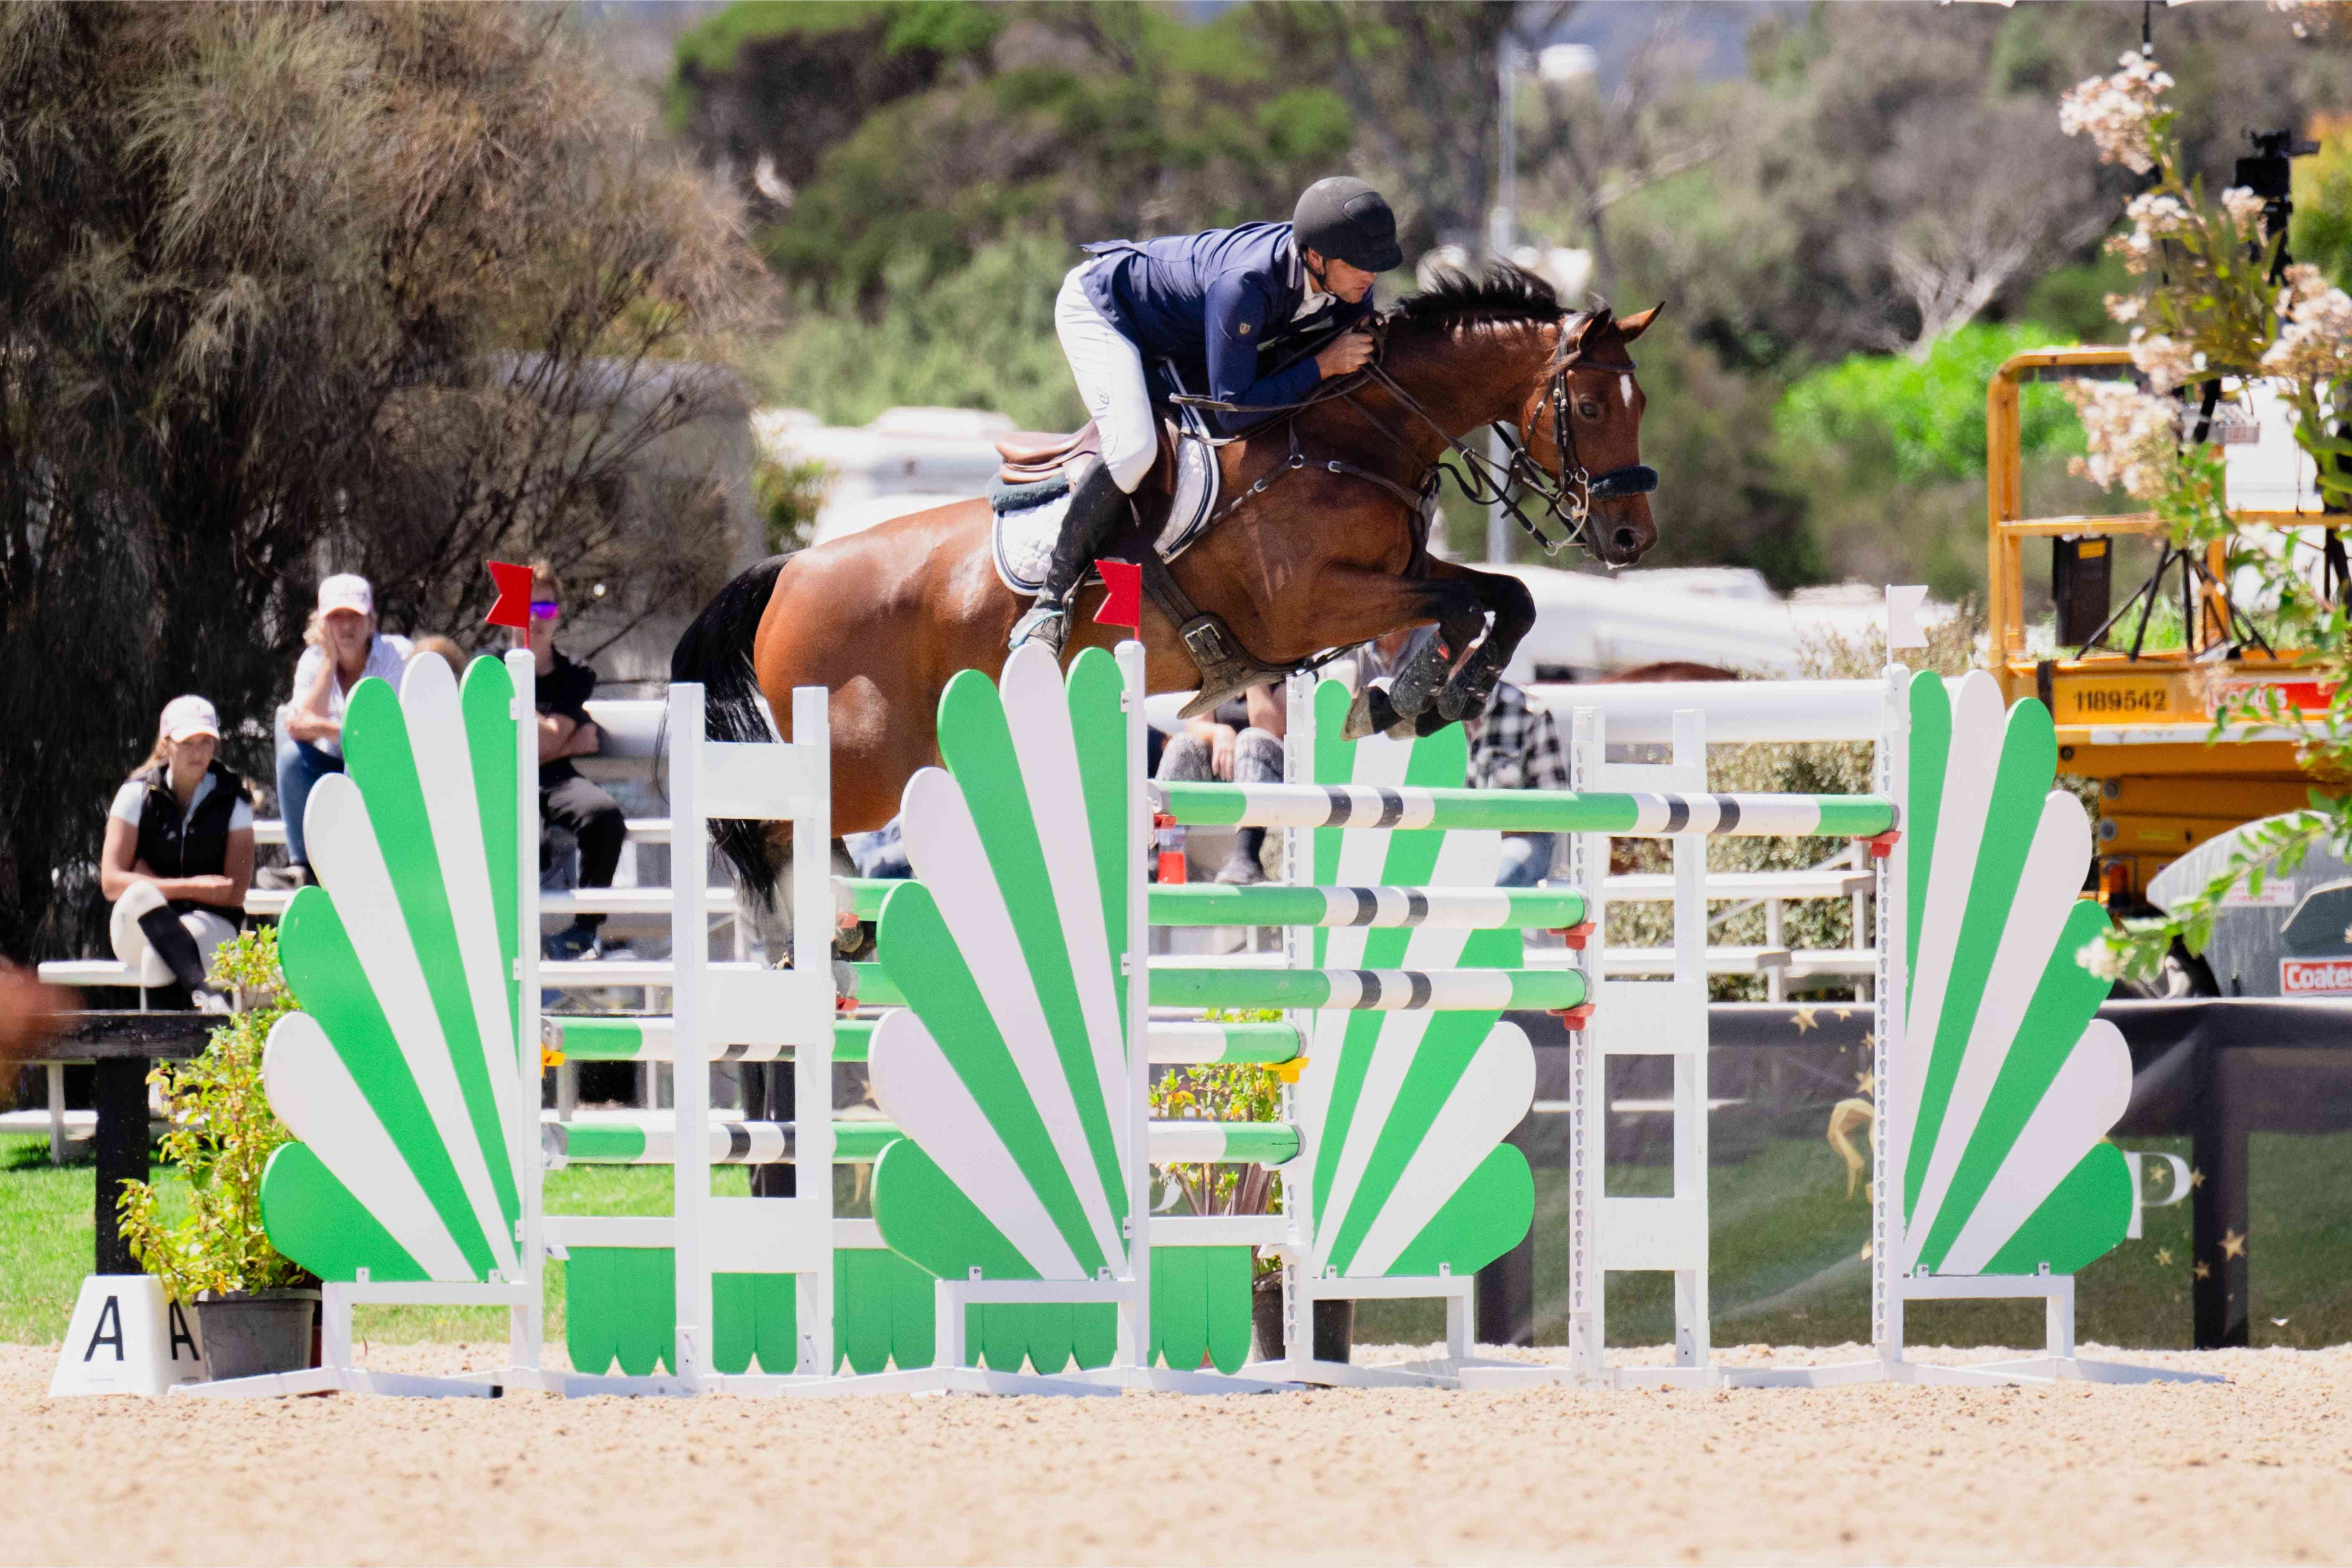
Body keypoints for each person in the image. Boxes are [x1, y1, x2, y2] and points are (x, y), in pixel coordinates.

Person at [1010, 176, 1404, 655]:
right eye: (1361, 266)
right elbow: (1234, 409)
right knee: (1135, 451)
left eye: (1376, 266)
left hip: (1181, 337)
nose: (1371, 278)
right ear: (1316, 259)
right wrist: (1322, 365)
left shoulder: (1342, 283)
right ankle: (1052, 599)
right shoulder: (1246, 284)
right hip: (1106, 313)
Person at [1357, 627, 1567, 887]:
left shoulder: (1530, 713)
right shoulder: (1426, 715)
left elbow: (1554, 809)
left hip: (1514, 840)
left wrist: (1485, 833)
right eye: (1459, 657)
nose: (1467, 667)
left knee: (1496, 879)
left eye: (1477, 658)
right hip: (1450, 844)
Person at [102, 696, 255, 1013]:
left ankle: (166, 1063)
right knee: (140, 895)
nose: (198, 752)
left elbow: (234, 890)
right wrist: (194, 887)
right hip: (137, 925)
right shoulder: (135, 794)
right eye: (187, 742)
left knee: (158, 954)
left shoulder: (234, 799)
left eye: (206, 742)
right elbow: (112, 884)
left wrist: (152, 881)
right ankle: (204, 990)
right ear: (166, 743)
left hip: (211, 925)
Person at [276, 573, 412, 882]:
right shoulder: (313, 661)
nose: (347, 626)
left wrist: (326, 729)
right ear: (322, 625)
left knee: (359, 758)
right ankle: (303, 867)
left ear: (372, 622)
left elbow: (388, 737)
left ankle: (361, 862)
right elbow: (297, 726)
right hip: (331, 771)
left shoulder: (398, 655)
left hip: (386, 780)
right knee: (290, 759)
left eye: (355, 616)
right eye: (336, 617)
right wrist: (329, 661)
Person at [521, 561, 626, 962]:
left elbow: (541, 743)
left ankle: (584, 930)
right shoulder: (490, 667)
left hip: (554, 781)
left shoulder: (575, 673)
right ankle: (513, 940)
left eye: (545, 609)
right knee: (530, 841)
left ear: (558, 614)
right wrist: (569, 742)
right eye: (526, 607)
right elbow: (548, 740)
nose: (535, 618)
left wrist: (546, 737)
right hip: (503, 779)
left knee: (604, 816)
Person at [1155, 684, 1285, 884]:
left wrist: (1254, 679)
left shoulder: (1286, 677)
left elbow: (1270, 729)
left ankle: (1247, 857)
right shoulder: (1219, 674)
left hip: (1269, 773)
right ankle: (1158, 853)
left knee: (1253, 739)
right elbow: (1195, 725)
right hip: (1223, 768)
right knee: (1182, 745)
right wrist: (1219, 733)